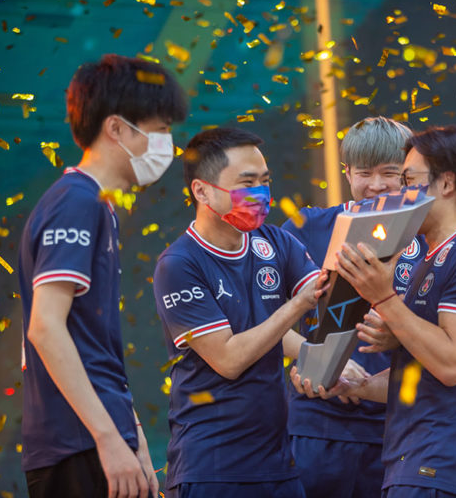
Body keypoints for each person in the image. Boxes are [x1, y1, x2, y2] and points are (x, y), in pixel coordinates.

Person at [294, 125, 456, 498]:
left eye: (407, 179)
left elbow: (453, 364)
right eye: (365, 173)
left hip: (443, 467)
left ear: (447, 183)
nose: (396, 191)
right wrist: (355, 385)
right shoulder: (432, 255)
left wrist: (383, 298)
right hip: (410, 462)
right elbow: (419, 371)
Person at [17, 54, 187, 498]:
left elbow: (95, 346)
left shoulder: (100, 206)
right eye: (160, 129)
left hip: (100, 434)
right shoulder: (76, 201)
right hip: (78, 442)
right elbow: (45, 328)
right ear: (116, 128)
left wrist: (133, 438)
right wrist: (108, 439)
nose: (168, 144)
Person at [152, 127, 328, 498]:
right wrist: (297, 305)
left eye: (265, 181)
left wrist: (321, 357)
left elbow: (323, 293)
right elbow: (229, 359)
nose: (260, 193)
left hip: (279, 464)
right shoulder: (179, 264)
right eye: (247, 183)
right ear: (201, 191)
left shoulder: (274, 240)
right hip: (212, 467)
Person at [280, 116, 421, 498]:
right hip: (317, 423)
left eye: (389, 173)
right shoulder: (308, 227)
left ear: (409, 174)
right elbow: (265, 319)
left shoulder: (429, 236)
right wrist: (313, 354)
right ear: (346, 173)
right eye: (364, 173)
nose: (376, 185)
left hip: (402, 427)